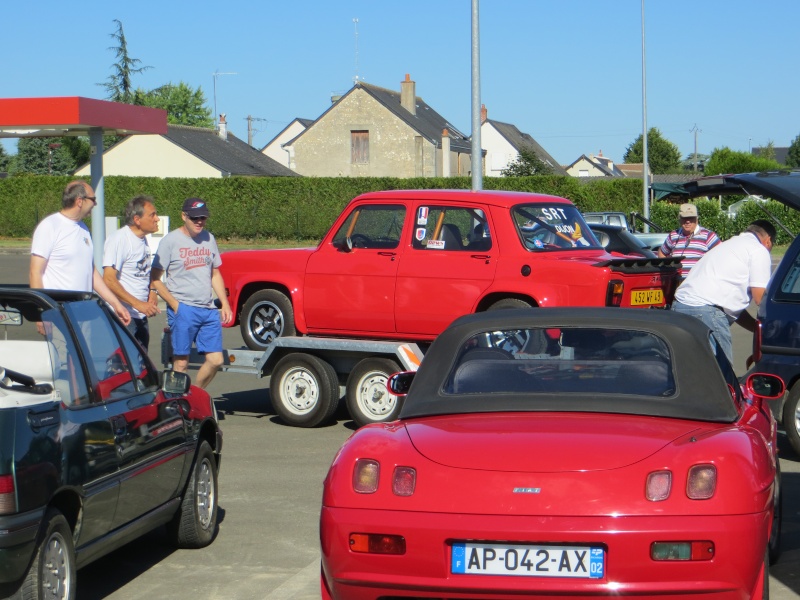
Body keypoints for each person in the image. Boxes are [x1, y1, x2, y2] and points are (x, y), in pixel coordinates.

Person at [150, 198, 232, 389]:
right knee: (181, 363)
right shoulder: (170, 241)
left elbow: (215, 273)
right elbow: (154, 278)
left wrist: (224, 303)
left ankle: (193, 394)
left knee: (216, 360)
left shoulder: (209, 238)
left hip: (208, 309)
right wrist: (175, 305)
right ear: (184, 216)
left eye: (203, 218)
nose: (199, 222)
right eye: (195, 218)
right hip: (183, 308)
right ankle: (178, 403)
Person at [671, 219, 775, 364]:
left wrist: (757, 329)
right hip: (705, 311)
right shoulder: (758, 250)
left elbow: (730, 309)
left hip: (680, 306)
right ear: (768, 241)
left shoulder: (729, 245)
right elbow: (760, 299)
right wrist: (776, 328)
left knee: (691, 369)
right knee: (722, 373)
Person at [30, 180, 131, 325]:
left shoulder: (83, 228)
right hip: (58, 314)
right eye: (93, 200)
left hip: (82, 313)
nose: (95, 204)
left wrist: (115, 304)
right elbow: (35, 272)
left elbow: (91, 273)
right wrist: (42, 316)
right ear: (79, 201)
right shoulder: (50, 226)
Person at [103, 195, 161, 350]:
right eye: (152, 215)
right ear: (137, 219)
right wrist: (138, 304)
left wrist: (152, 292)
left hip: (140, 317)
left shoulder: (142, 240)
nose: (157, 219)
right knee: (122, 368)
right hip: (123, 317)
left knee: (140, 368)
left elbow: (143, 272)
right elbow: (108, 279)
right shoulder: (120, 239)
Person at [658, 203, 720, 278]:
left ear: (697, 219)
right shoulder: (673, 235)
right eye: (684, 218)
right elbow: (662, 253)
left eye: (691, 218)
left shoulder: (708, 236)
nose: (688, 221)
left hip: (698, 284)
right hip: (677, 284)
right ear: (680, 219)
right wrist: (667, 270)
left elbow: (722, 255)